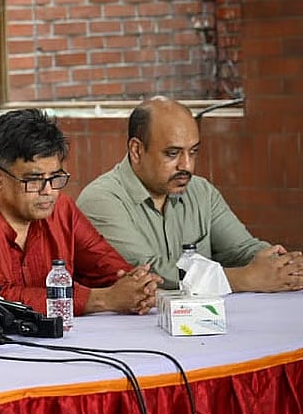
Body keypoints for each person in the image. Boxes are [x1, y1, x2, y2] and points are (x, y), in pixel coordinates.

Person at [0, 109, 161, 317]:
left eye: (55, 178)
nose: (48, 191)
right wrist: (102, 300)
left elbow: (108, 268)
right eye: (33, 180)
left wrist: (139, 287)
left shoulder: (61, 209)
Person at [77, 97, 303, 292]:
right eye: (173, 153)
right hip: (130, 335)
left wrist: (283, 265)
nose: (187, 165)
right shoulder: (100, 200)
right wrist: (245, 279)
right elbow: (149, 271)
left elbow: (241, 249)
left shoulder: (201, 191)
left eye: (193, 152)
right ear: (137, 150)